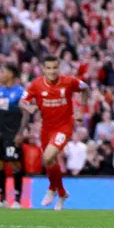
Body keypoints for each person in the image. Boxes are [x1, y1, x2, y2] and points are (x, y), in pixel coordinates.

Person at [19, 55, 89, 210]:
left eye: (55, 68)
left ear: (59, 68)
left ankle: (52, 188)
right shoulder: (36, 84)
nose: (52, 71)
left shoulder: (69, 81)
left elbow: (85, 88)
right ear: (43, 69)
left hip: (64, 126)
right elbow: (23, 100)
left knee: (48, 156)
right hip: (46, 129)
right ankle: (62, 193)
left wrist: (81, 110)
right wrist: (27, 107)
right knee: (50, 161)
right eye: (48, 68)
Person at [0, 64, 29, 208]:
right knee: (0, 165)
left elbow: (26, 113)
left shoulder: (20, 92)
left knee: (15, 164)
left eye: (3, 71)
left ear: (11, 74)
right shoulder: (0, 91)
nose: (1, 74)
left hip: (12, 134)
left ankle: (17, 199)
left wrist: (20, 133)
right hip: (0, 134)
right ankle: (2, 198)